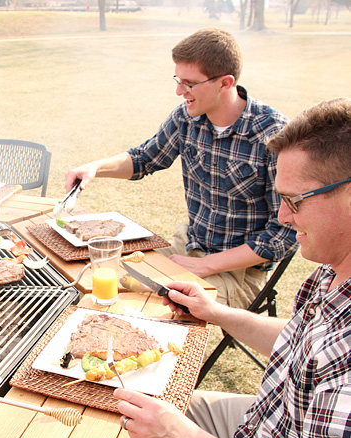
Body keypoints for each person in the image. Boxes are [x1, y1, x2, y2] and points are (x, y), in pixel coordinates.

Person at [114, 97, 351, 438]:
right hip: (272, 423)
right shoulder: (332, 267)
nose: (281, 216)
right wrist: (218, 312)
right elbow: (302, 341)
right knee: (137, 412)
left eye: (294, 201)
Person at [65, 27, 298, 309]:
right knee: (102, 278)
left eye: (188, 84)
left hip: (239, 271)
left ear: (225, 83)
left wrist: (206, 266)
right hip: (187, 245)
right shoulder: (187, 118)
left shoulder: (274, 135)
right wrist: (93, 168)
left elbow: (284, 234)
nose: (179, 91)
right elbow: (144, 158)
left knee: (155, 305)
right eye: (178, 80)